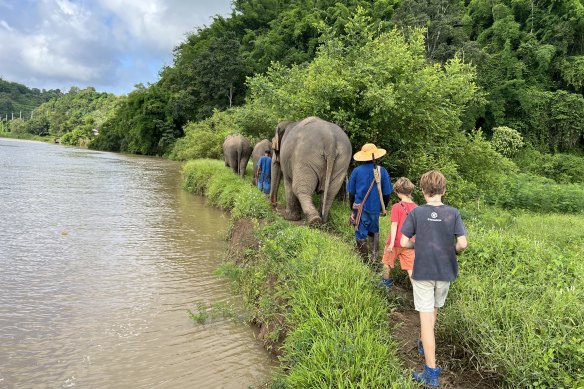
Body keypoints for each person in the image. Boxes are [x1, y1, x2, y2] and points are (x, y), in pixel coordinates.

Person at [400, 170, 468, 387]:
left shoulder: (417, 213)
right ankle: (424, 341)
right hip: (445, 272)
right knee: (433, 311)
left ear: (422, 191)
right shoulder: (453, 213)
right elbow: (463, 243)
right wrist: (454, 250)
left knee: (425, 321)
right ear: (444, 190)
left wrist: (415, 244)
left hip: (423, 271)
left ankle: (431, 373)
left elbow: (403, 242)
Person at [347, 143, 392, 267]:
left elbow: (351, 193)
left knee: (360, 233)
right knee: (373, 232)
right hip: (374, 209)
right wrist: (383, 207)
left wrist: (352, 208)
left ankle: (364, 261)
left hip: (359, 208)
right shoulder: (382, 171)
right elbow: (387, 193)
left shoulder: (356, 171)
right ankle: (374, 261)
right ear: (375, 156)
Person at [381, 177, 417, 288]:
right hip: (409, 243)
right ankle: (419, 292)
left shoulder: (397, 206)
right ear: (410, 191)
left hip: (395, 242)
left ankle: (386, 285)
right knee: (411, 269)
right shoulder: (417, 208)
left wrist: (391, 243)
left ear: (398, 191)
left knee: (386, 263)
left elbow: (394, 225)